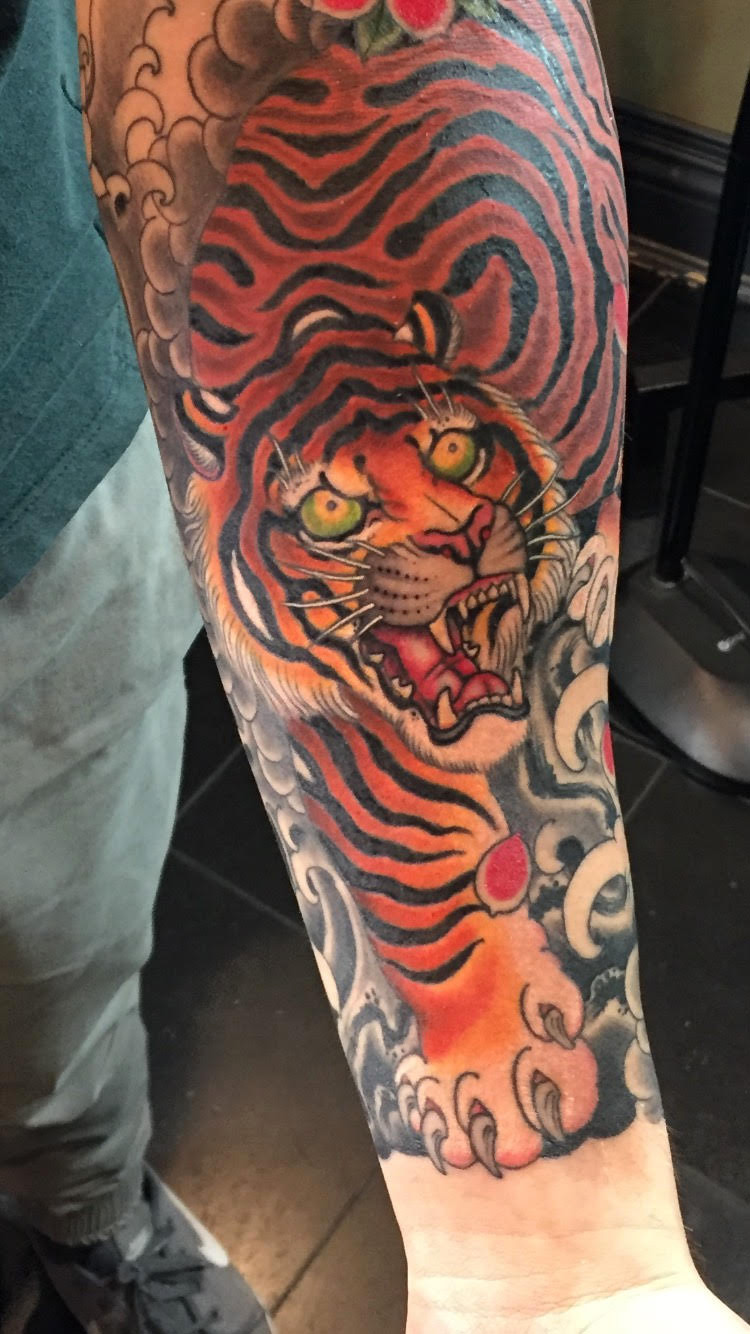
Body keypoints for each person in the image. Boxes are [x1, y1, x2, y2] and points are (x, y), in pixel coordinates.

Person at [0, 0, 746, 1331]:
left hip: (27, 471)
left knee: (55, 975)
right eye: (346, 507)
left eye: (454, 456)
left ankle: (88, 1211)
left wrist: (551, 1260)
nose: (444, 522)